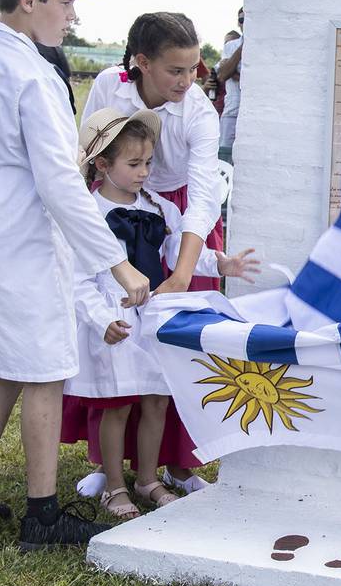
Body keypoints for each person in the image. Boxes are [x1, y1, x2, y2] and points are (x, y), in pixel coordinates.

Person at [0, 0, 151, 550]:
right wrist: (118, 262)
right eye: (66, 1)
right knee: (46, 372)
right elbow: (60, 181)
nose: (73, 15)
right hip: (23, 245)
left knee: (5, 367)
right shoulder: (32, 73)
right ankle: (43, 514)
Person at [66, 108, 259, 518]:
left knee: (156, 400)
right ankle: (114, 485)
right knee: (117, 404)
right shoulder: (88, 213)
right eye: (134, 164)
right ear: (103, 165)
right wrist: (101, 320)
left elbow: (177, 252)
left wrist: (219, 264)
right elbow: (77, 278)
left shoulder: (158, 207)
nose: (144, 172)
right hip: (115, 319)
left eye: (148, 162)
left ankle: (148, 479)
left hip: (154, 318)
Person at [78, 11, 224, 494]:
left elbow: (204, 196)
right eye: (175, 70)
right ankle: (108, 466)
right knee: (113, 338)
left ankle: (177, 465)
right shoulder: (109, 85)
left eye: (194, 68)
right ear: (142, 63)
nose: (187, 80)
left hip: (180, 221)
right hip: (115, 204)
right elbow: (89, 150)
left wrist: (181, 273)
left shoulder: (199, 111)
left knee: (180, 349)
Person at [217, 9, 244, 159]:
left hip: (253, 112)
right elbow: (222, 75)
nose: (245, 23)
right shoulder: (231, 46)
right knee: (225, 158)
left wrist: (234, 73)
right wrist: (243, 46)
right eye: (242, 20)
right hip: (232, 111)